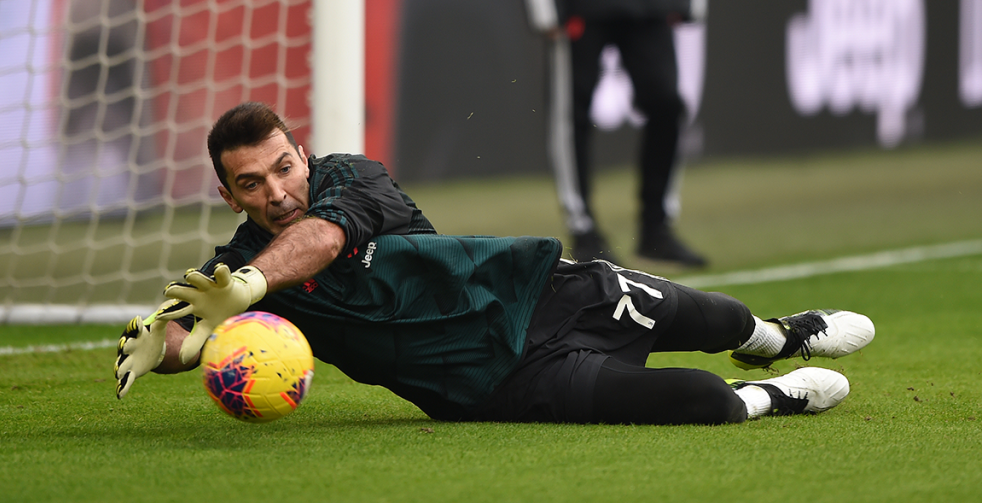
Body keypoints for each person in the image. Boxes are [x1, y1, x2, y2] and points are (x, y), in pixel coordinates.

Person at [115, 102, 875, 424]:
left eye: (285, 166)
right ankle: (775, 394)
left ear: (302, 153)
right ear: (229, 192)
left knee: (715, 317)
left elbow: (322, 238)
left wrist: (248, 284)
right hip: (491, 381)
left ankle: (777, 335)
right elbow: (189, 331)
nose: (278, 191)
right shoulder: (232, 271)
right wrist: (163, 343)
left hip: (540, 290)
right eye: (253, 182)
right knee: (702, 403)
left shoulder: (354, 180)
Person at [524, 0, 708, 266]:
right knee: (571, 113)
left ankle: (657, 229)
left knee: (666, 103)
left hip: (649, 8)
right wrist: (544, 10)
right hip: (580, 8)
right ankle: (583, 229)